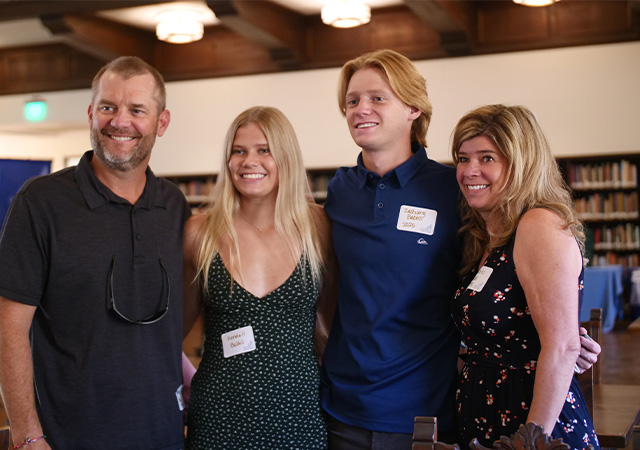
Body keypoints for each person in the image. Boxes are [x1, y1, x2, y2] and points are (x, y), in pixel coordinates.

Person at [319, 49, 601, 450]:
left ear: (413, 107)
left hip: (431, 408)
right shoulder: (339, 190)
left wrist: (563, 339)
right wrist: (559, 337)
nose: (361, 108)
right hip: (346, 405)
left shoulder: (455, 189)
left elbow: (531, 296)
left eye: (378, 97)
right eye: (352, 100)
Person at [0, 56, 190, 450]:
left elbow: (168, 328)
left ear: (162, 122)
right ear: (91, 113)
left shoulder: (174, 206)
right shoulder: (40, 202)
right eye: (108, 107)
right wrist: (27, 435)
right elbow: (8, 326)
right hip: (66, 436)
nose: (120, 121)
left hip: (163, 435)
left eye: (137, 110)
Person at [182, 106, 334, 449]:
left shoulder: (319, 227)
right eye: (239, 151)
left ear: (286, 157)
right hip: (218, 417)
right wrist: (186, 386)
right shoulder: (199, 232)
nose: (250, 161)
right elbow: (171, 332)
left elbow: (328, 327)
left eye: (264, 150)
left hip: (299, 415)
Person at [450, 104, 599, 449]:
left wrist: (529, 441)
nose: (470, 170)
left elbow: (562, 348)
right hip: (484, 413)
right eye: (463, 158)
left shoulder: (538, 225)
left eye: (487, 158)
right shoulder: (483, 236)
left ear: (522, 164)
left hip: (532, 423)